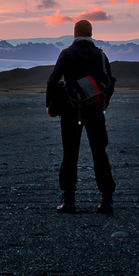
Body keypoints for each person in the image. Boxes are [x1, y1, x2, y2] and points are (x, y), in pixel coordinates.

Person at [45, 18, 116, 214]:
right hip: (96, 112)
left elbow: (53, 80)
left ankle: (69, 201)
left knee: (70, 153)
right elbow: (109, 83)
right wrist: (103, 104)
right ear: (91, 34)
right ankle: (106, 200)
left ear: (75, 33)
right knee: (100, 153)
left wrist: (50, 105)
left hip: (71, 111)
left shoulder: (66, 54)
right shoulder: (101, 56)